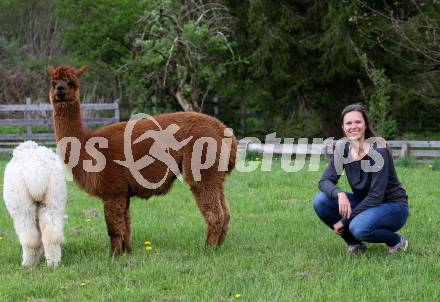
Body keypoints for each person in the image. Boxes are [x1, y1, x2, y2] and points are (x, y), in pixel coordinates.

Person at [313, 103, 409, 254]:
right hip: (366, 204)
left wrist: (345, 221)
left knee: (358, 227)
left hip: (393, 207)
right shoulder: (343, 149)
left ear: (365, 125)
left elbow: (376, 196)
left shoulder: (379, 151)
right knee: (321, 201)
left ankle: (397, 241)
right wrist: (339, 193)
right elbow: (324, 181)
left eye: (358, 122)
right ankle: (355, 244)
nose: (353, 126)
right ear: (343, 127)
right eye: (349, 123)